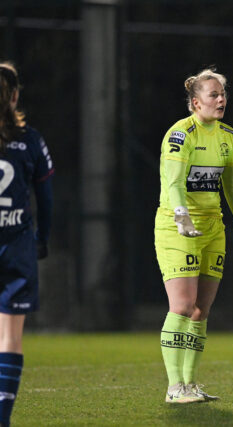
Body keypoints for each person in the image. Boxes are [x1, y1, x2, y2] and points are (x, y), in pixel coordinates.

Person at [155, 67, 233, 403]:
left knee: (201, 309)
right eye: (214, 94)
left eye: (223, 94)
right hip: (176, 225)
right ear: (196, 102)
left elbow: (232, 185)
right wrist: (181, 215)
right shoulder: (181, 134)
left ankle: (191, 384)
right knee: (181, 306)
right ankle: (174, 387)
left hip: (212, 226)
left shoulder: (228, 136)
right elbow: (174, 182)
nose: (221, 99)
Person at [0, 62, 54, 426]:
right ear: (16, 96)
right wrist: (42, 239)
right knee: (9, 336)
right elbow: (46, 198)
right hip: (17, 245)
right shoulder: (30, 139)